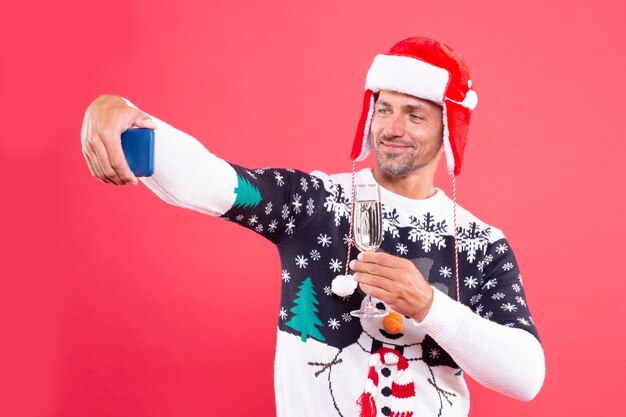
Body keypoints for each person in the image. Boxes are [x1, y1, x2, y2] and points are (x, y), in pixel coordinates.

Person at [81, 37, 545, 417]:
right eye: (384, 109)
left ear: (448, 130)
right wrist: (121, 115)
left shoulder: (482, 245)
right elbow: (215, 181)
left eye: (415, 114)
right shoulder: (314, 201)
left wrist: (428, 306)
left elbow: (525, 377)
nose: (393, 127)